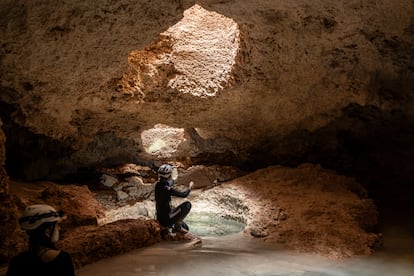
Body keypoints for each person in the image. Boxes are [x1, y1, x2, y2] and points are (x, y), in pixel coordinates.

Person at [7, 204, 75, 276]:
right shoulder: (63, 259)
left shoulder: (16, 262)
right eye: (57, 225)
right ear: (48, 231)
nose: (59, 228)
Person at [154, 164, 194, 234]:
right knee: (187, 205)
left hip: (160, 217)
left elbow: (170, 183)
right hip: (167, 218)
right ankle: (175, 226)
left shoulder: (158, 185)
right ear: (169, 175)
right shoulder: (167, 189)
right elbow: (184, 195)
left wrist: (173, 178)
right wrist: (190, 187)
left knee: (185, 227)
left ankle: (174, 225)